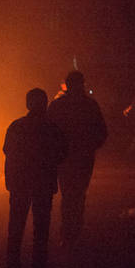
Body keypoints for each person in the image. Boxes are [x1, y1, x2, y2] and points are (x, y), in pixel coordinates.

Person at [3, 88, 67, 268]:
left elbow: (8, 151)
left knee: (16, 229)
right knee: (41, 231)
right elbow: (62, 152)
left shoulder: (17, 126)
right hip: (43, 184)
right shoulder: (52, 128)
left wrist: (11, 179)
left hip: (21, 184)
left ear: (27, 104)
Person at [47, 71, 107, 254]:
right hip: (82, 158)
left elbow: (48, 131)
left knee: (68, 195)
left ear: (67, 85)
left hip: (64, 158)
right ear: (81, 84)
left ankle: (68, 234)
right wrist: (89, 147)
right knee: (79, 194)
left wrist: (54, 152)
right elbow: (102, 132)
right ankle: (75, 232)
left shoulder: (58, 106)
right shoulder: (89, 105)